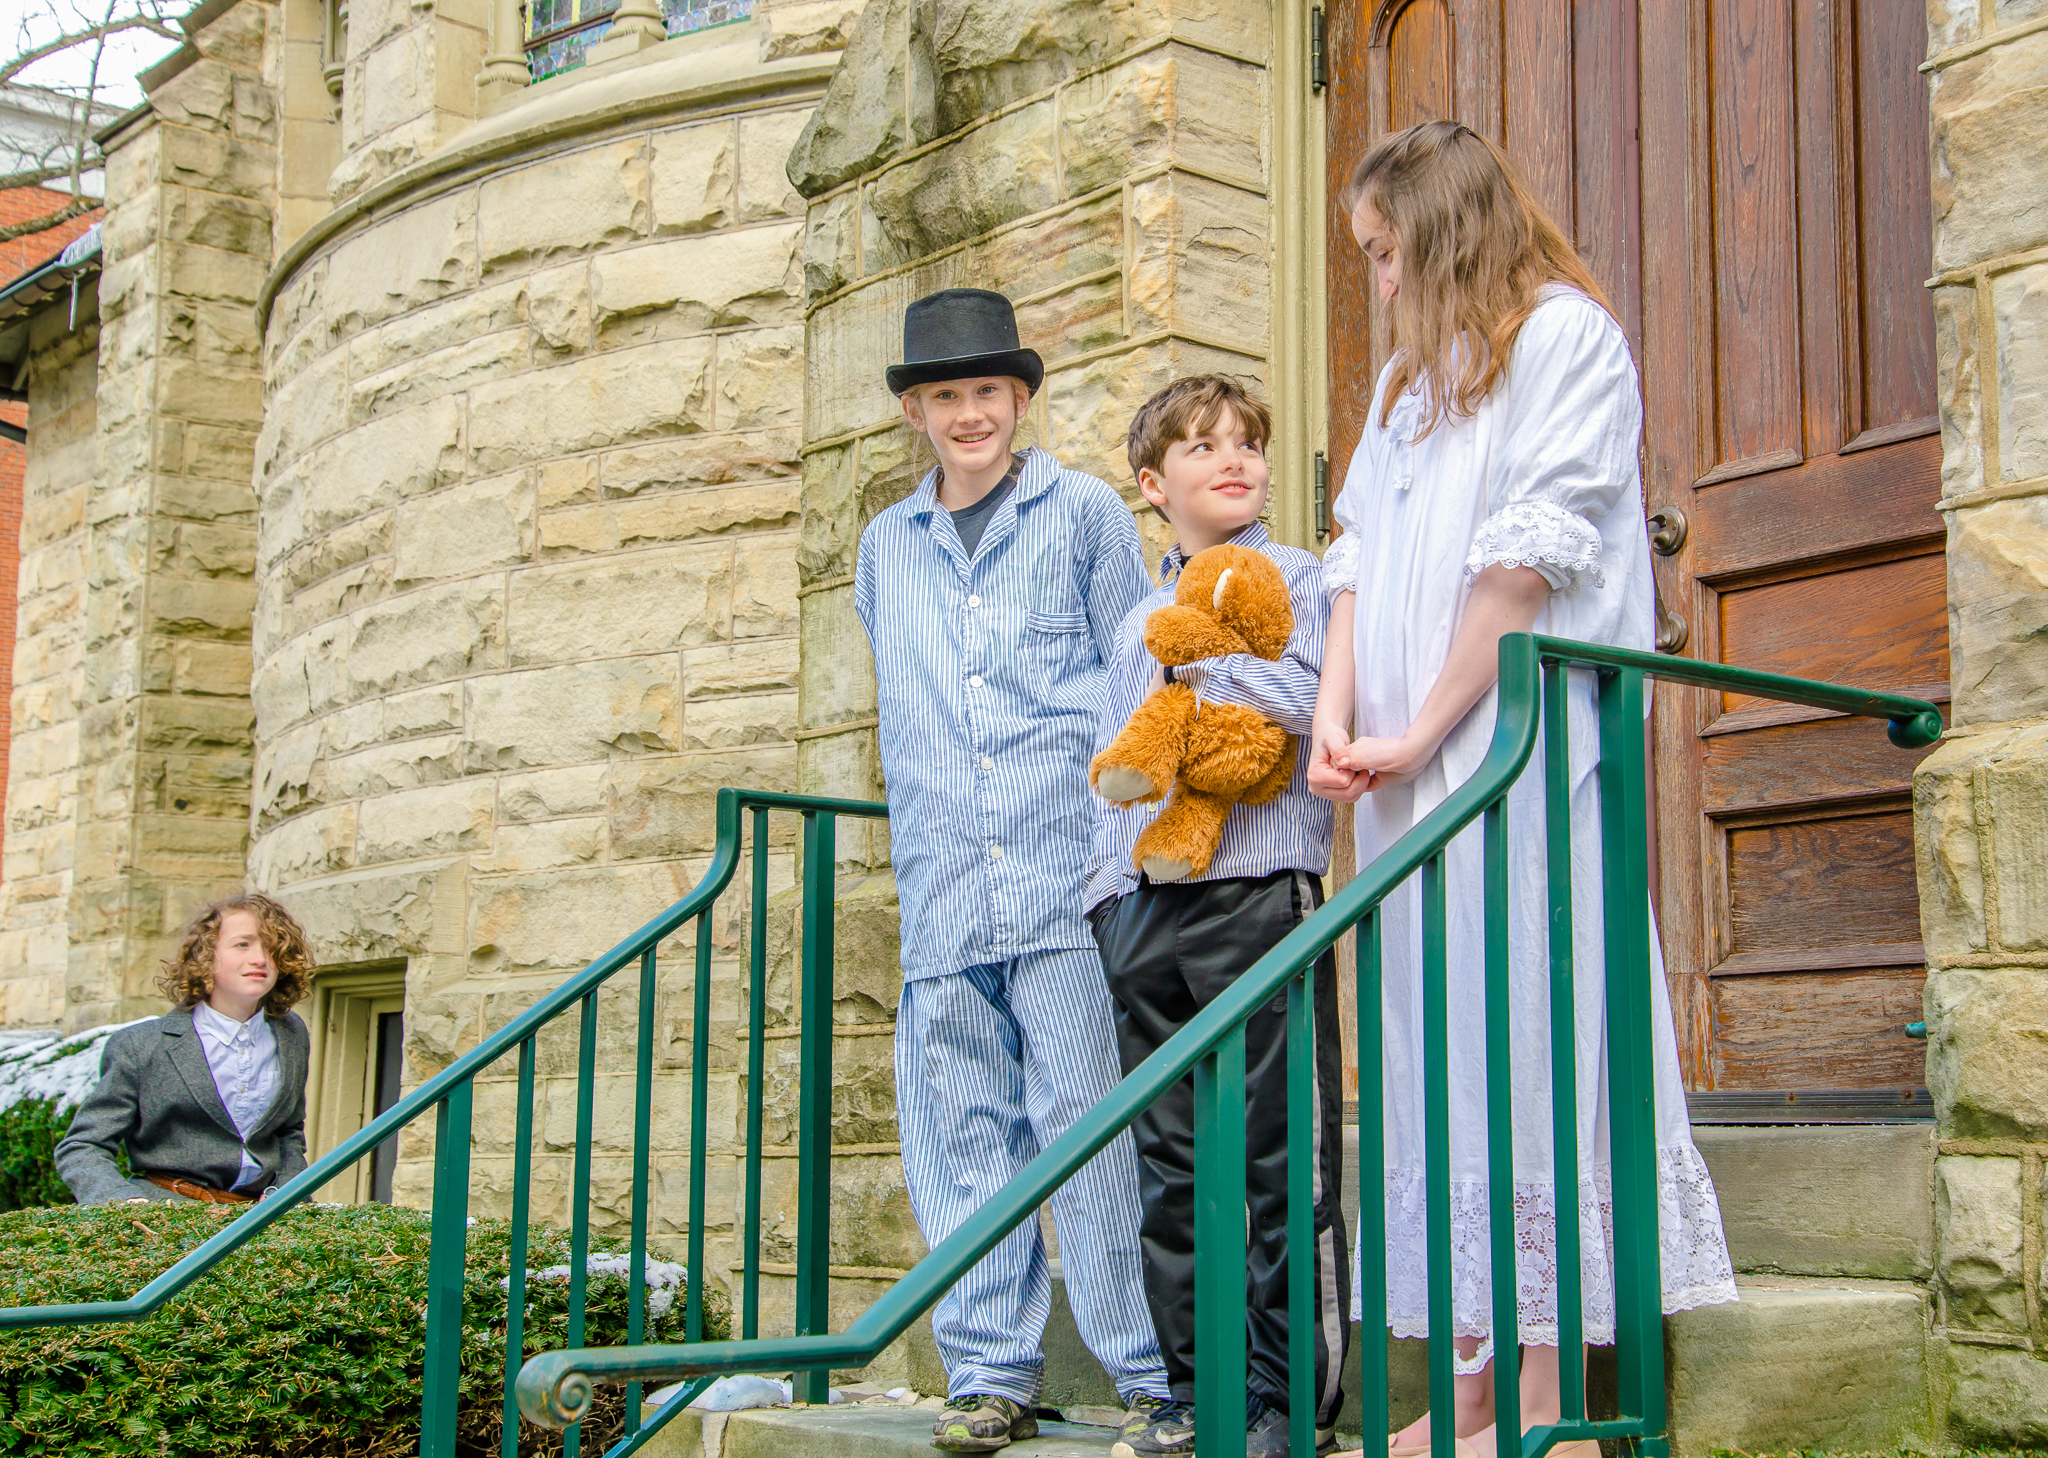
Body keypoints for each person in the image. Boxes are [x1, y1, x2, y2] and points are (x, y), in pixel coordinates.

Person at [1307, 121, 1737, 1458]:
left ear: (1443, 235)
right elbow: (1355, 554)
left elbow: (1522, 567)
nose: (1377, 280)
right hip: (1401, 777)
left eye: (1386, 251)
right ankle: (1475, 1380)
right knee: (1438, 1060)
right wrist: (1337, 720)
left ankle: (1552, 1399)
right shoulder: (1405, 382)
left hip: (1514, 758)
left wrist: (1427, 728)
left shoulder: (1566, 341)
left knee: (1533, 1042)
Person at [853, 287, 1172, 1452]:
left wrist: (1126, 853)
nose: (969, 413)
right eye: (945, 396)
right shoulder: (884, 549)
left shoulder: (1082, 513)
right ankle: (989, 1376)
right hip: (942, 889)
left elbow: (1138, 679)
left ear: (1020, 399)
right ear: (915, 413)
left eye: (987, 390)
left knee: (1091, 1132)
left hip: (1063, 879)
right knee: (960, 1145)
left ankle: (1147, 1377)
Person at [1086, 376, 1349, 1458]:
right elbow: (1115, 762)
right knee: (1173, 1169)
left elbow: (1321, 704)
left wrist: (1209, 660)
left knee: (1283, 1159)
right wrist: (1103, 897)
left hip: (1255, 897)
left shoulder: (1301, 577)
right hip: (1141, 910)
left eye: (1246, 442)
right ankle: (1200, 1398)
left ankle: (1289, 1404)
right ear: (1155, 486)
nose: (1232, 459)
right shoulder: (1132, 618)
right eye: (1201, 447)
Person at [56, 891, 315, 1206]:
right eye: (242, 945)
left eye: (272, 946)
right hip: (167, 1216)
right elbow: (83, 1145)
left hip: (263, 1219)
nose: (260, 958)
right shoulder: (140, 1045)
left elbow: (288, 1133)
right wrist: (122, 1203)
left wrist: (286, 1194)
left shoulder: (291, 1033)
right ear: (205, 955)